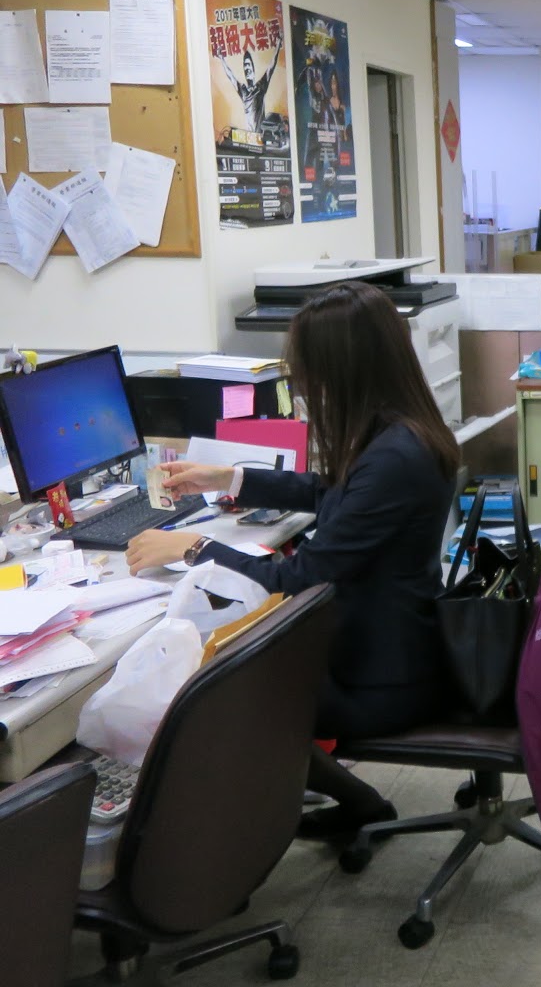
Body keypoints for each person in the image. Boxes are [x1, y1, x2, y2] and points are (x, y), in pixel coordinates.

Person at [126, 281, 460, 839]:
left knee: (215, 694)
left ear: (342, 371)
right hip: (391, 642)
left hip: (381, 678)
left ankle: (335, 810)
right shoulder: (401, 433)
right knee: (222, 660)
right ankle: (336, 800)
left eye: (308, 373)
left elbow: (295, 578)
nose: (305, 387)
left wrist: (193, 548)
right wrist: (230, 477)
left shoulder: (396, 457)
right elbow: (332, 490)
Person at [221, 37, 282, 135]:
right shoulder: (243, 91)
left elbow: (271, 67)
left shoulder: (261, 87)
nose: (247, 68)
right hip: (249, 137)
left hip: (261, 136)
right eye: (245, 66)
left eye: (248, 65)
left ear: (253, 68)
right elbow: (231, 76)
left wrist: (278, 45)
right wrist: (221, 58)